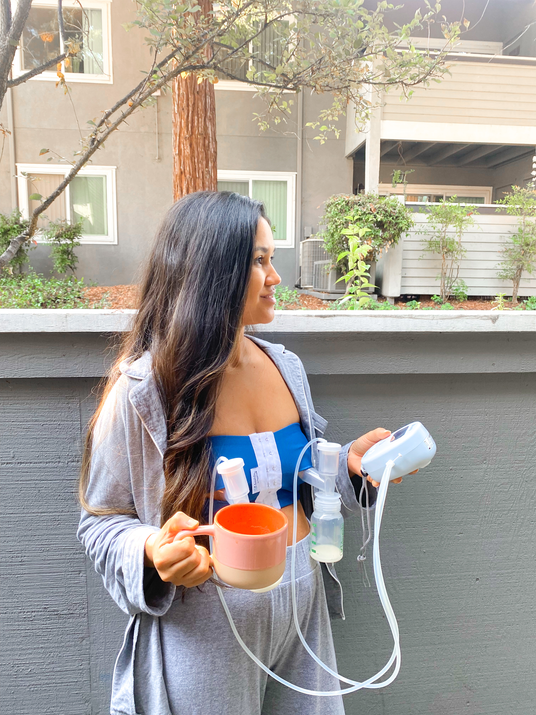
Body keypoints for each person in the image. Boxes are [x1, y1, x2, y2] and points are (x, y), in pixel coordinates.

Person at [77, 191, 400, 715]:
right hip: (204, 628)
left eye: (272, 259)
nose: (276, 278)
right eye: (259, 260)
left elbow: (293, 473)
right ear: (211, 271)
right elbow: (100, 523)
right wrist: (153, 552)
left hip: (302, 608)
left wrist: (348, 466)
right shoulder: (143, 392)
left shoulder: (286, 367)